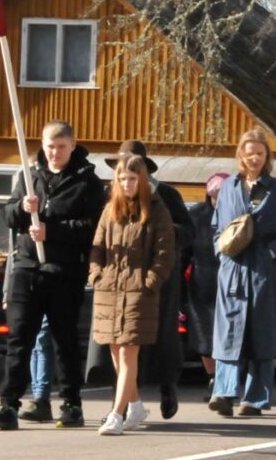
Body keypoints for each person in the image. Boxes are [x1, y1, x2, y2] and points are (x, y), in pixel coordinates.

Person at [0, 121, 105, 431]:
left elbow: (93, 228)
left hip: (64, 271)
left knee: (65, 340)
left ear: (72, 146)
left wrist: (53, 231)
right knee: (19, 339)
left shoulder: (87, 182)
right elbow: (8, 215)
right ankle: (9, 404)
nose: (55, 153)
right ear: (42, 145)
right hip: (27, 268)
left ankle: (71, 403)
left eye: (61, 147)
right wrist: (23, 208)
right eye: (50, 146)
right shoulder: (30, 176)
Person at [208, 129, 276, 417]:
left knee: (262, 332)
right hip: (233, 268)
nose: (255, 158)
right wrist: (221, 253)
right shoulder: (229, 186)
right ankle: (223, 393)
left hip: (264, 269)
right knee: (229, 331)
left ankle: (255, 398)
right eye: (250, 153)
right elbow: (216, 226)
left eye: (260, 153)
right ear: (241, 155)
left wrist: (273, 251)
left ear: (267, 156)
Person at [104, 140, 195, 420]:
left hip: (159, 278)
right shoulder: (110, 196)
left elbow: (188, 231)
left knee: (162, 338)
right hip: (121, 278)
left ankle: (168, 387)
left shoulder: (165, 194)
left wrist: (160, 232)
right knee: (121, 341)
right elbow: (100, 234)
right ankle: (126, 404)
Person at [90, 156, 176, 435]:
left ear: (142, 180)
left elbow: (164, 254)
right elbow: (97, 248)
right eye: (122, 178)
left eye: (132, 178)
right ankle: (136, 404)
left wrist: (149, 282)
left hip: (139, 290)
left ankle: (116, 414)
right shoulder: (110, 210)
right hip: (109, 289)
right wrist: (96, 275)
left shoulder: (157, 210)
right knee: (116, 351)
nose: (126, 183)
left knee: (128, 351)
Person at [186, 172, 229, 400]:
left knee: (227, 335)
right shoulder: (196, 216)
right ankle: (212, 377)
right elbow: (184, 251)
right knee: (203, 336)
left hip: (229, 283)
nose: (218, 198)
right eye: (215, 194)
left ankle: (226, 380)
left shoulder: (237, 215)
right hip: (201, 283)